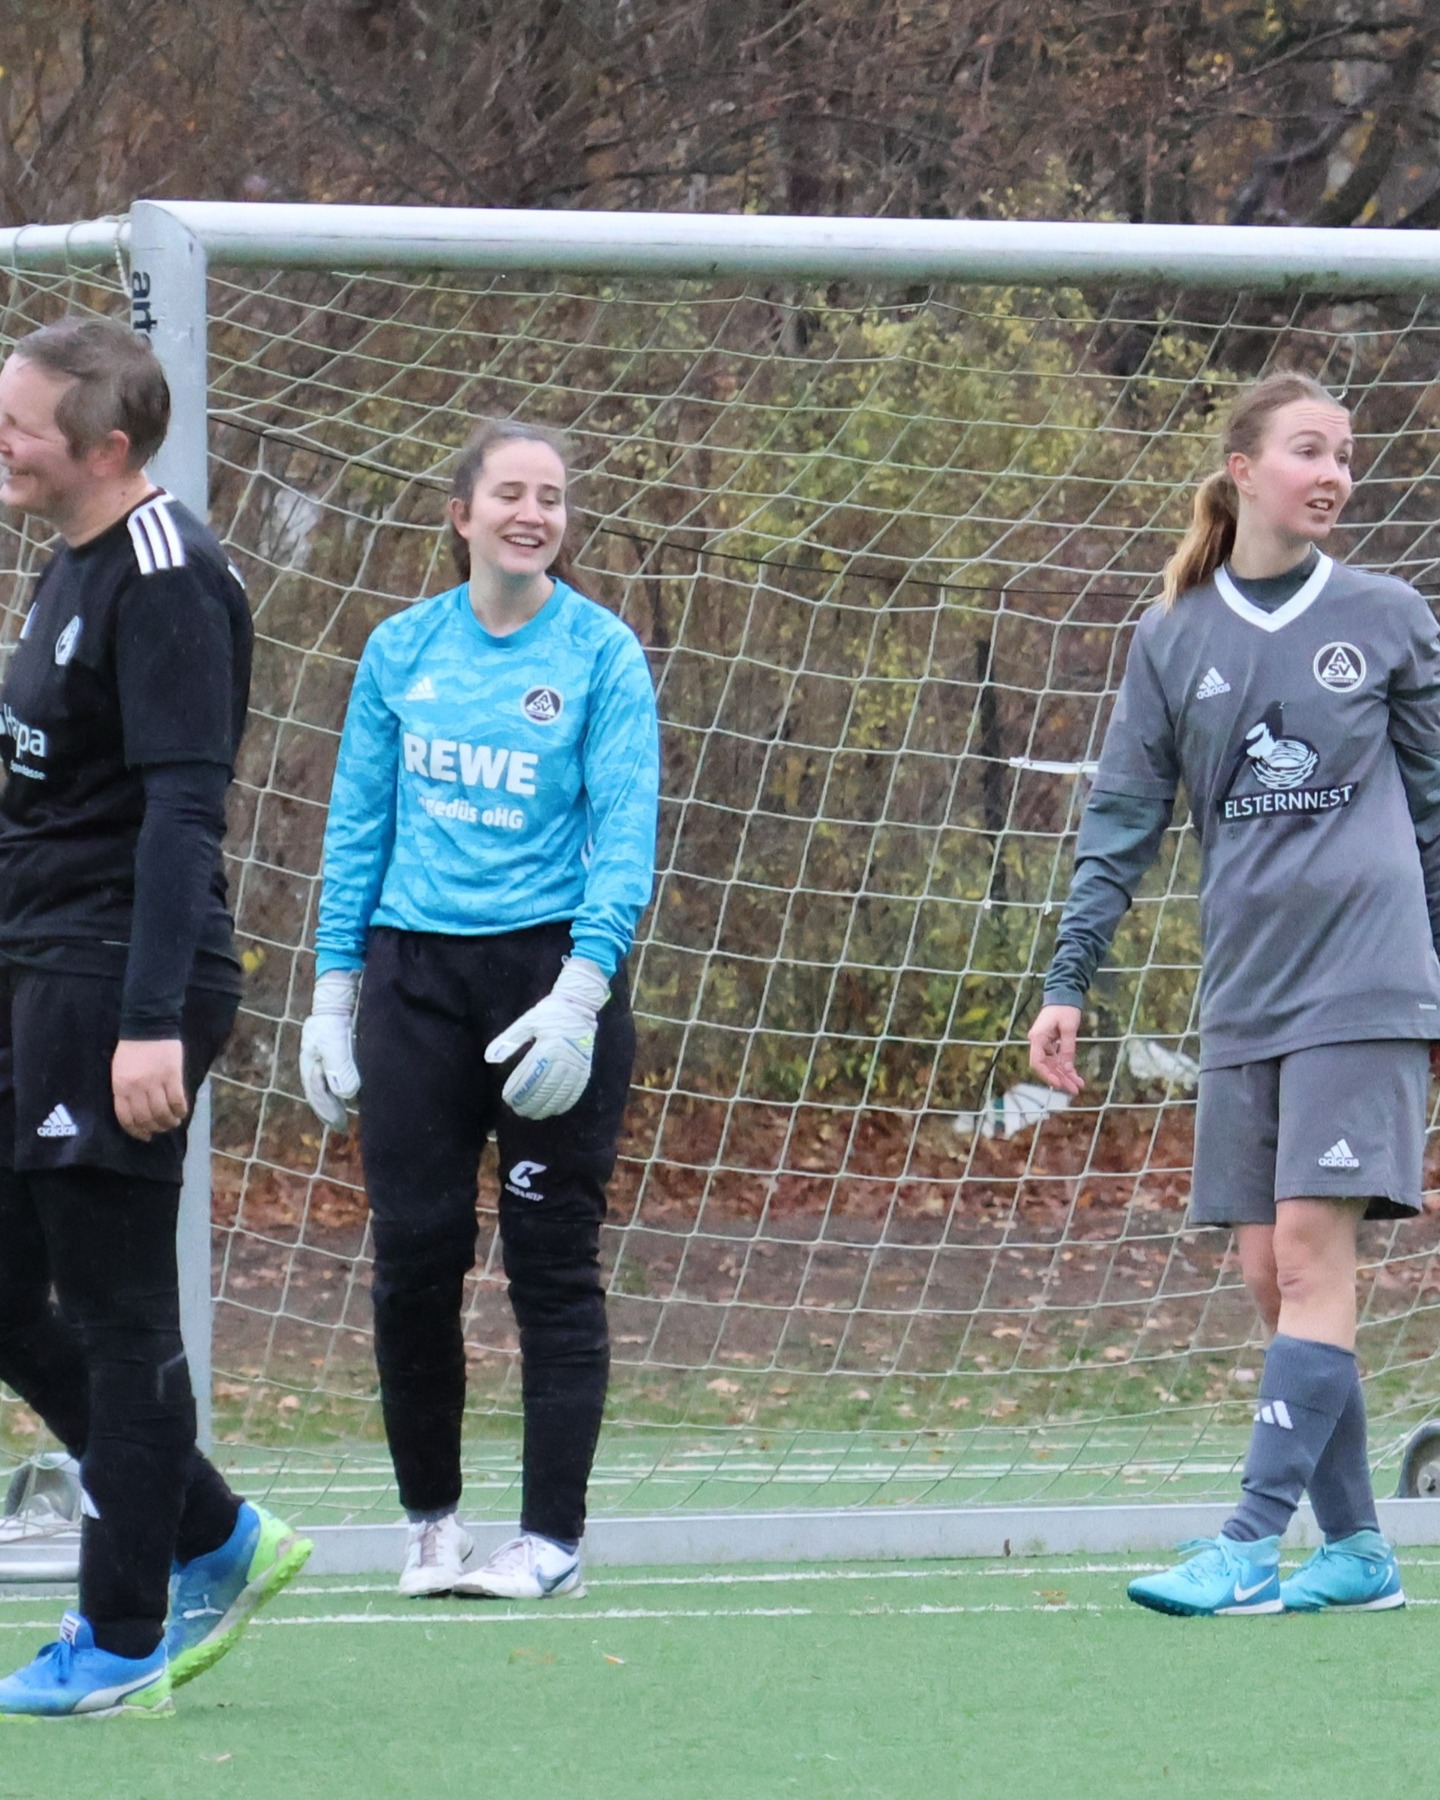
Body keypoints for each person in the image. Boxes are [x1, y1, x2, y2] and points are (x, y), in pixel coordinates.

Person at [1027, 370, 1440, 1617]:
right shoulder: (1173, 638)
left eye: (1347, 458)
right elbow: (1120, 821)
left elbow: (1435, 809)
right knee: (1275, 1280)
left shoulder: (1388, 614)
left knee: (1315, 1258)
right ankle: (1361, 1551)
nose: (1334, 475)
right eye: (1310, 451)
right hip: (1246, 995)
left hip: (1364, 979)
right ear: (1244, 469)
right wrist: (1068, 980)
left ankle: (1249, 1543)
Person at [0, 318, 311, 1717]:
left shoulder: (172, 582)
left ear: (104, 448)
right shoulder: (64, 562)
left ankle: (123, 1635)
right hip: (36, 971)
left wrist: (147, 1026)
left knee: (120, 1313)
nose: (1, 442)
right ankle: (208, 1527)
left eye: (20, 427)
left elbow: (186, 814)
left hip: (121, 984)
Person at [300, 419, 659, 1600]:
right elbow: (356, 828)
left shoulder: (603, 654)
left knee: (551, 1263)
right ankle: (430, 1526)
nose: (532, 512)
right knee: (413, 1255)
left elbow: (623, 832)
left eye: (551, 497)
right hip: (414, 983)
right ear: (461, 514)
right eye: (510, 492)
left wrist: (584, 987)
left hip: (549, 983)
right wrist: (333, 988)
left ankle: (550, 1539)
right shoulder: (399, 650)